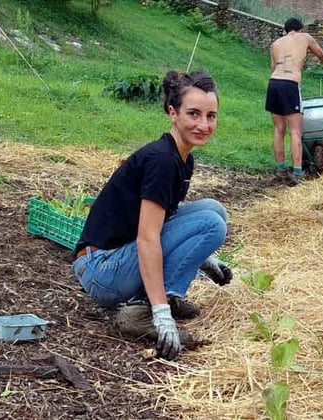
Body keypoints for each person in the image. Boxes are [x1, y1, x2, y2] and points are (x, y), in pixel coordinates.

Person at [72, 69, 232, 360]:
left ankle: (166, 297)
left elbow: (165, 220)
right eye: (193, 114)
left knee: (213, 210)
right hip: (102, 270)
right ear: (173, 112)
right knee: (211, 224)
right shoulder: (163, 161)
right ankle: (145, 310)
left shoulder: (182, 157)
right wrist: (161, 315)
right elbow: (148, 238)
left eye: (211, 116)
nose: (204, 125)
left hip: (116, 261)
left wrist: (203, 257)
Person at [265, 17, 323, 185]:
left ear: (286, 30)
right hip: (290, 85)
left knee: (278, 129)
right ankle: (298, 173)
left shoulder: (275, 44)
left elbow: (273, 68)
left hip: (274, 83)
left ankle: (280, 169)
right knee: (295, 131)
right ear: (300, 29)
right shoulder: (305, 37)